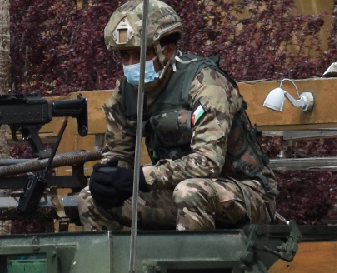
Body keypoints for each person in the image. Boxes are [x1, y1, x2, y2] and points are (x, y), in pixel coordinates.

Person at [78, 0, 279, 231]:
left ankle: (193, 268)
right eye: (124, 56)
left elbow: (207, 163)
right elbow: (118, 154)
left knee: (190, 191)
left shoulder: (206, 84)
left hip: (246, 193)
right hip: (176, 192)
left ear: (168, 51)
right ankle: (120, 267)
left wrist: (141, 178)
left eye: (139, 55)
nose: (131, 64)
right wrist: (107, 177)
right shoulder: (125, 94)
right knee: (91, 199)